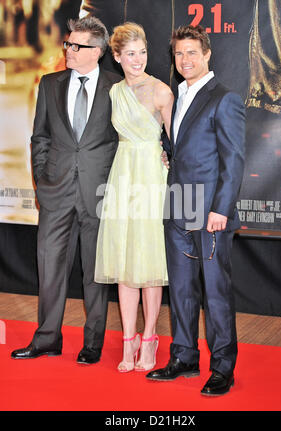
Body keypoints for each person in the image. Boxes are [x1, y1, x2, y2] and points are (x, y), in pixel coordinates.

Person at [11, 16, 121, 365]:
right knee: (50, 267)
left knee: (95, 273)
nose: (69, 50)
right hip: (55, 193)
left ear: (97, 51)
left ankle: (93, 343)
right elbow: (40, 137)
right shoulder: (50, 83)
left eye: (77, 46)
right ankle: (47, 339)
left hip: (99, 193)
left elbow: (122, 142)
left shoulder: (117, 88)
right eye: (68, 44)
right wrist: (42, 181)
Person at [146, 25, 245, 396]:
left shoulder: (225, 98)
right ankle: (184, 356)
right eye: (178, 54)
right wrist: (168, 149)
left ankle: (223, 366)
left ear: (207, 55)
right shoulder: (179, 96)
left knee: (216, 291)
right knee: (183, 289)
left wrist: (221, 209)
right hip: (178, 206)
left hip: (210, 212)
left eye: (192, 53)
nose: (184, 60)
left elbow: (233, 161)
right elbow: (184, 146)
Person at [94, 22, 174, 372]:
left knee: (149, 265)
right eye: (130, 54)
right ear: (117, 57)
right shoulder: (114, 93)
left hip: (151, 179)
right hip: (123, 175)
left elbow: (176, 141)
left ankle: (150, 339)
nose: (138, 59)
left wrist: (168, 155)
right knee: (124, 263)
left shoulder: (162, 91)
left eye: (142, 52)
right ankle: (128, 341)